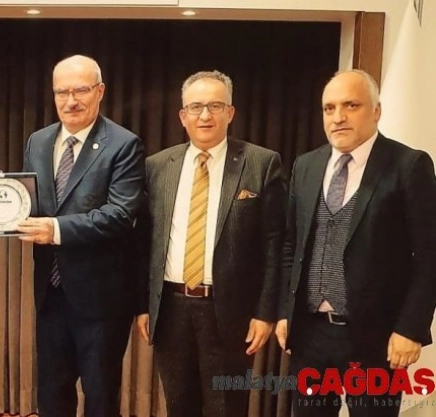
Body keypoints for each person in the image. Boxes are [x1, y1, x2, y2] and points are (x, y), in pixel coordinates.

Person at [276, 69, 436, 417]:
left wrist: (410, 328)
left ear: (376, 111)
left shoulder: (408, 165)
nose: (338, 117)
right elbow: (291, 246)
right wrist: (286, 312)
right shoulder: (306, 165)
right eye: (329, 108)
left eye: (351, 105)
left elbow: (429, 256)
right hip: (310, 335)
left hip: (376, 337)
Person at [134, 70, 286, 416]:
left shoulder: (261, 163)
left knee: (227, 408)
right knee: (179, 406)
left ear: (230, 112)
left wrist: (265, 312)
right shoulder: (157, 166)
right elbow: (144, 242)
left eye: (215, 106)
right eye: (196, 107)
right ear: (182, 116)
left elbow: (275, 244)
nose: (205, 115)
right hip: (170, 309)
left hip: (230, 311)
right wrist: (143, 305)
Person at [17, 55, 145, 417]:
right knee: (52, 398)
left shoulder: (123, 144)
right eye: (62, 92)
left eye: (80, 90)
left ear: (100, 91)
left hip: (101, 302)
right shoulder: (38, 141)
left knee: (100, 400)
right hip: (51, 296)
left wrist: (55, 229)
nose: (70, 100)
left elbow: (120, 215)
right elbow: (27, 202)